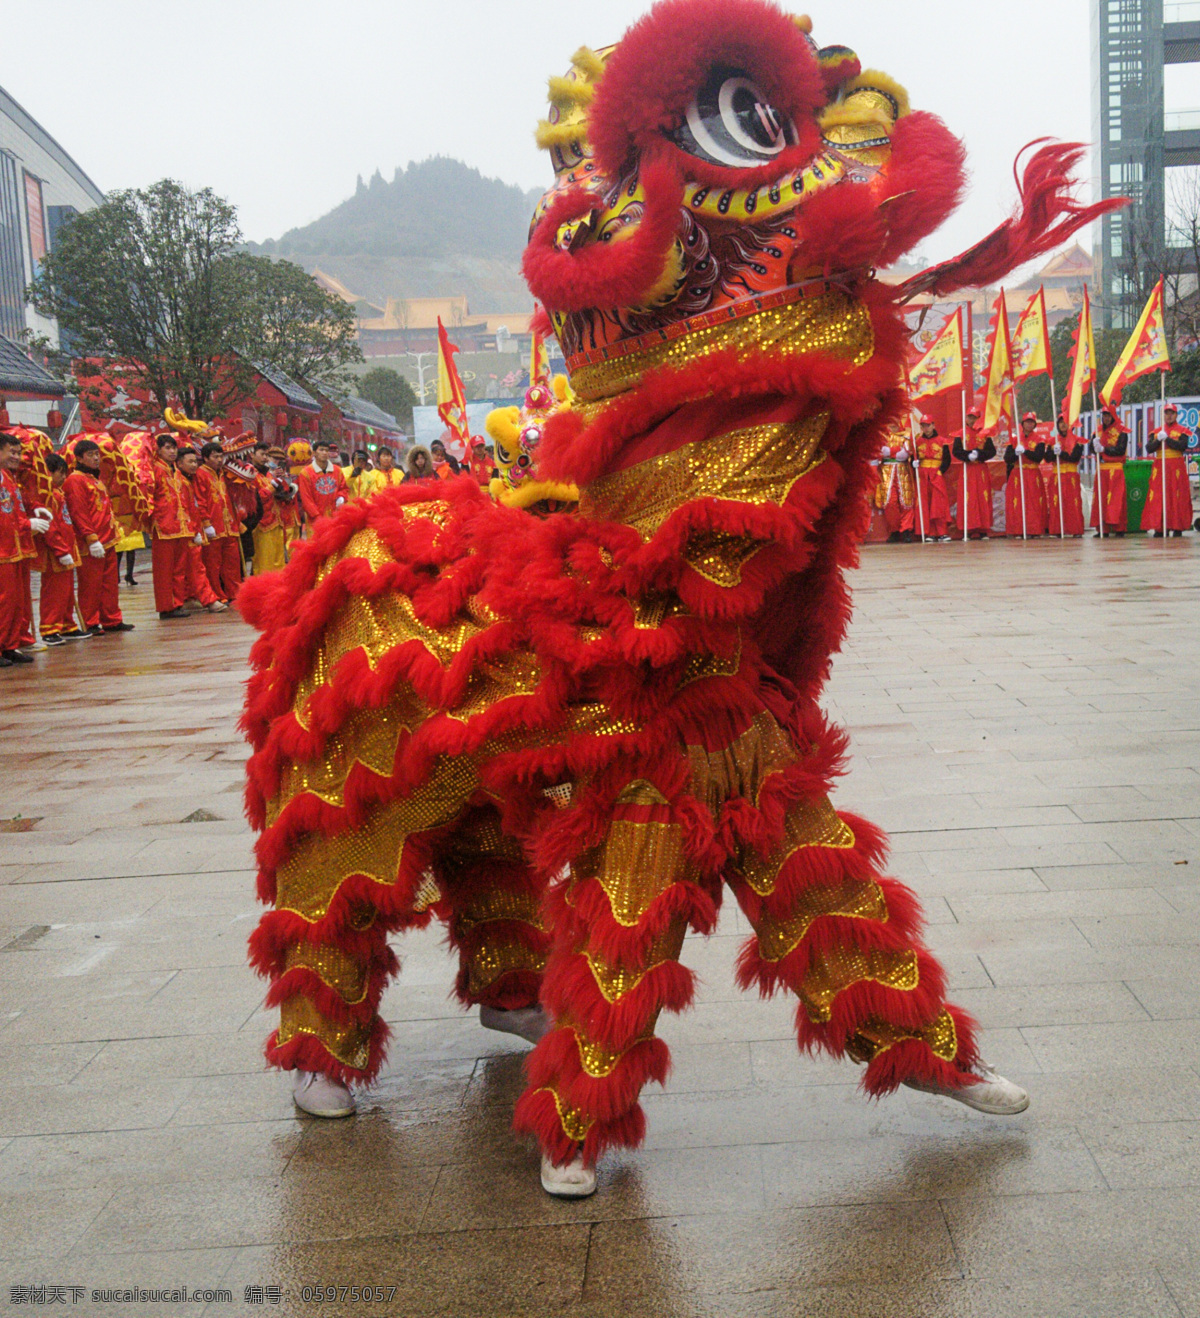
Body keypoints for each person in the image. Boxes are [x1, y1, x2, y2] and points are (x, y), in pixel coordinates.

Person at [63, 439, 132, 634]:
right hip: (90, 543)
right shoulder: (75, 480)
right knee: (90, 586)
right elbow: (79, 513)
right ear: (79, 458)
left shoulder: (95, 479)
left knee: (110, 583)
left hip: (108, 539)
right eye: (91, 455)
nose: (96, 458)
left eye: (97, 454)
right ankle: (90, 622)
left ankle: (112, 619)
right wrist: (91, 538)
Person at [35, 454, 82, 645]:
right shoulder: (46, 496)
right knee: (54, 592)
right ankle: (49, 627)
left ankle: (66, 625)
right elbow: (51, 527)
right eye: (60, 473)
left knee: (67, 591)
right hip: (55, 552)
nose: (63, 478)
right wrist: (61, 550)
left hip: (67, 547)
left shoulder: (59, 494)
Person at [174, 447, 227, 614]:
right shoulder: (179, 480)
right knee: (196, 567)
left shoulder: (189, 480)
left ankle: (188, 597)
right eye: (189, 462)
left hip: (191, 529)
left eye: (194, 461)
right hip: (183, 529)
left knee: (191, 567)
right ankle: (209, 600)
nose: (193, 465)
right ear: (179, 463)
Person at [0, 432, 33, 666]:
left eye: (19, 452)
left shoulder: (9, 477)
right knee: (3, 601)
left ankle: (10, 646)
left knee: (15, 601)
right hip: (2, 549)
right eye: (12, 452)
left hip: (15, 547)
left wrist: (27, 524)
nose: (17, 457)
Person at [195, 442, 243, 601]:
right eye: (215, 457)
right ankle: (217, 594)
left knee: (232, 564)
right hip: (214, 527)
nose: (219, 460)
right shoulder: (200, 474)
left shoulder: (224, 474)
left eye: (220, 456)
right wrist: (206, 523)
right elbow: (200, 501)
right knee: (213, 565)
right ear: (205, 458)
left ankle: (234, 593)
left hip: (229, 526)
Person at [1144, 403, 1193, 537]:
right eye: (1167, 413)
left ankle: (1177, 526)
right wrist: (1158, 440)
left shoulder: (1183, 431)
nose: (1169, 416)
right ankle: (1160, 527)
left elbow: (1183, 446)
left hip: (1176, 467)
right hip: (1160, 467)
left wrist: (1168, 439)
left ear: (1176, 415)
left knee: (1176, 495)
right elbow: (1149, 448)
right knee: (1159, 495)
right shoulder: (1156, 432)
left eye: (1172, 413)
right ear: (1163, 415)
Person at [903, 416, 952, 541]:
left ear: (933, 425)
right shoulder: (917, 442)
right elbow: (914, 458)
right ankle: (928, 532)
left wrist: (940, 471)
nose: (926, 428)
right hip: (922, 475)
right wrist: (914, 464)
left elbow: (947, 459)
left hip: (936, 474)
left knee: (939, 503)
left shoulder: (942, 441)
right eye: (923, 426)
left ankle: (942, 532)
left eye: (928, 425)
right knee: (925, 504)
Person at [950, 404, 996, 539]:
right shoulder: (960, 434)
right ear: (966, 418)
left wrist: (980, 454)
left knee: (982, 497)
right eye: (970, 417)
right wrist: (967, 456)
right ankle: (968, 529)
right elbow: (956, 451)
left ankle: (983, 529)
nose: (972, 420)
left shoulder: (985, 434)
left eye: (975, 418)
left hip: (981, 470)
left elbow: (991, 451)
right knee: (968, 498)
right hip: (967, 470)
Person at [1003, 412, 1048, 538]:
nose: (1029, 424)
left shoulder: (1040, 440)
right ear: (1022, 424)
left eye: (1031, 422)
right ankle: (1018, 529)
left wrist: (1026, 452)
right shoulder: (1014, 440)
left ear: (1034, 424)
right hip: (1018, 474)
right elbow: (1007, 458)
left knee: (1033, 502)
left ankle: (1034, 529)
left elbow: (1038, 458)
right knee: (1017, 501)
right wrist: (1015, 454)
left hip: (1033, 473)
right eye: (1027, 422)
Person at [1041, 415, 1087, 538]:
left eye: (1065, 422)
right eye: (1060, 422)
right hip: (1057, 475)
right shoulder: (1052, 441)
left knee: (1073, 502)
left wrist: (1061, 453)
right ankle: (1057, 529)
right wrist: (1052, 452)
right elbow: (1047, 458)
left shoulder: (1077, 440)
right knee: (1056, 502)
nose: (1063, 425)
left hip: (1071, 475)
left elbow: (1074, 458)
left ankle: (1075, 529)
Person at [248, 442, 290, 574]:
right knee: (264, 561)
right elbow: (253, 499)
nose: (265, 458)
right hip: (262, 523)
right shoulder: (249, 474)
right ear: (252, 455)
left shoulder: (268, 474)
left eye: (267, 455)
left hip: (277, 521)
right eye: (262, 454)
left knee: (278, 559)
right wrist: (271, 488)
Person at [1090, 407, 1128, 536]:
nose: (1106, 418)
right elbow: (1092, 449)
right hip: (1102, 470)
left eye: (1108, 415)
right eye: (1104, 415)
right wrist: (1094, 444)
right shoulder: (1098, 431)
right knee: (1101, 500)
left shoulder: (1121, 431)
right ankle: (1103, 529)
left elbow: (1121, 450)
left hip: (1115, 469)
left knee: (1116, 499)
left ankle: (1119, 528)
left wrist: (1104, 449)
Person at [297, 439, 348, 523]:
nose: (324, 453)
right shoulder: (306, 473)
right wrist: (317, 517)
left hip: (335, 517)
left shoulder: (337, 471)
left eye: (327, 450)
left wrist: (341, 497)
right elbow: (306, 499)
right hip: (315, 520)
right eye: (321, 450)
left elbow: (344, 488)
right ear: (314, 453)